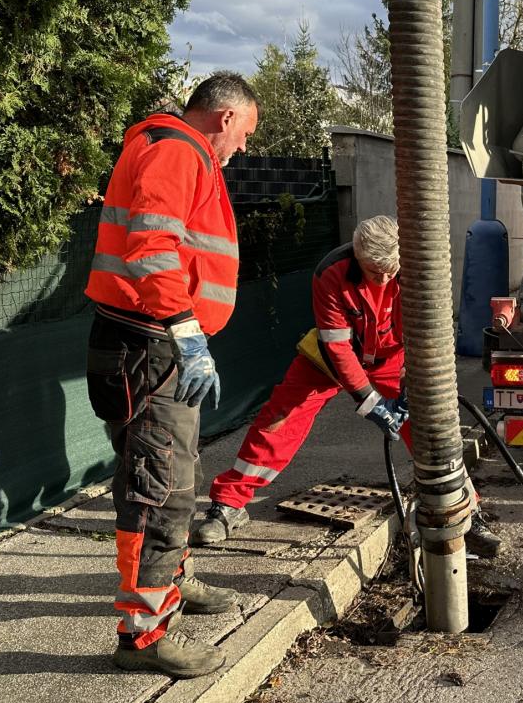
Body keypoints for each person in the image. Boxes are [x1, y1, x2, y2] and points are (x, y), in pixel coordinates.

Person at [191, 214, 502, 558]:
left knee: (431, 431)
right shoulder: (331, 273)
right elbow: (336, 346)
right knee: (279, 419)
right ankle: (228, 504)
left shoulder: (416, 271)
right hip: (328, 359)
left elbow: (427, 337)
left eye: (390, 272)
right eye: (374, 271)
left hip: (391, 360)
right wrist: (371, 403)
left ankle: (467, 514)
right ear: (357, 256)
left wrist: (412, 386)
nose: (383, 279)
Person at [84, 72, 259, 678]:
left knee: (166, 474)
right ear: (226, 117)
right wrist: (185, 329)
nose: (243, 148)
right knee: (159, 490)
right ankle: (144, 636)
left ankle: (171, 584)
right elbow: (153, 246)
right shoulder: (180, 150)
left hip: (144, 344)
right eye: (245, 134)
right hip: (151, 345)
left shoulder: (164, 145)